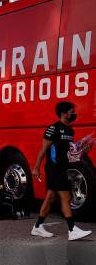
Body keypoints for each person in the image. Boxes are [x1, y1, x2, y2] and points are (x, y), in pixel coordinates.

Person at [31, 101, 92, 241]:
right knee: (66, 197)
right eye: (71, 111)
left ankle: (38, 227)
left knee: (50, 198)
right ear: (64, 113)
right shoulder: (53, 129)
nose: (73, 114)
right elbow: (43, 149)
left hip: (63, 168)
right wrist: (36, 167)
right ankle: (72, 229)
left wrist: (84, 151)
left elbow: (70, 154)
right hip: (54, 168)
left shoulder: (70, 130)